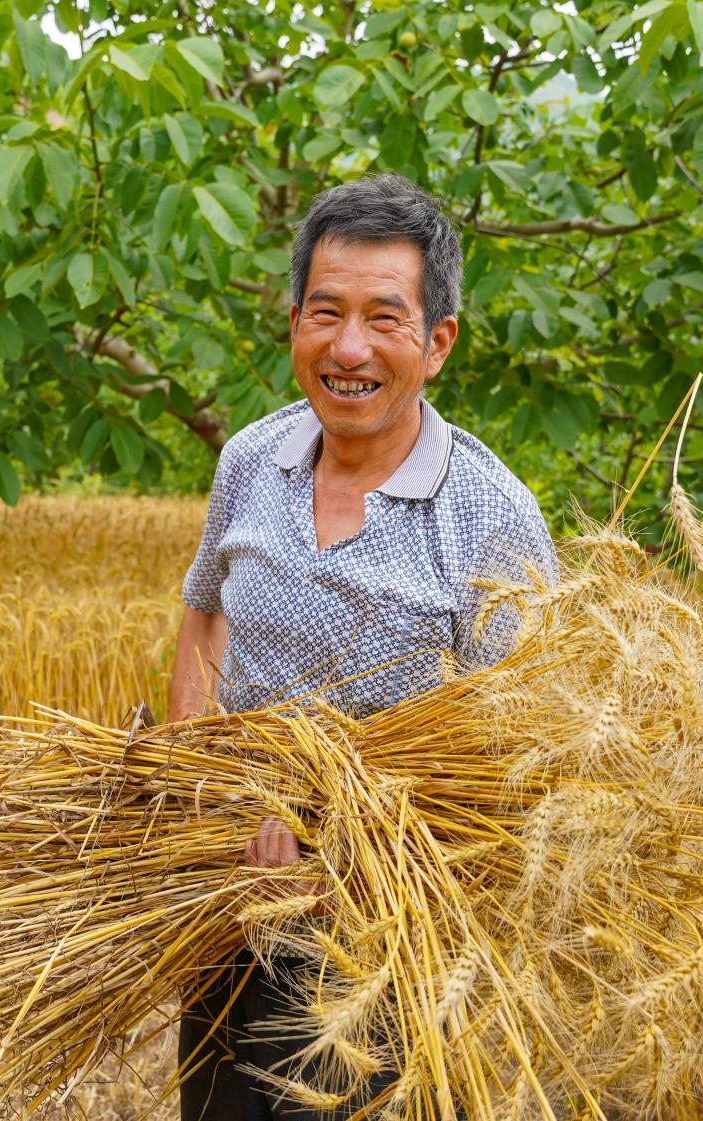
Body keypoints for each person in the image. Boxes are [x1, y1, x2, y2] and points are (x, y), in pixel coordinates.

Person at [167, 174, 559, 1120]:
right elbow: (206, 611)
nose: (348, 348)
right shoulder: (250, 460)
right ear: (294, 322)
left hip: (391, 951)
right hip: (231, 908)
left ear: (437, 343)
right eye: (326, 313)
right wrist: (199, 785)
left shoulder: (489, 517)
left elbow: (536, 750)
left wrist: (351, 850)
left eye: (385, 317)